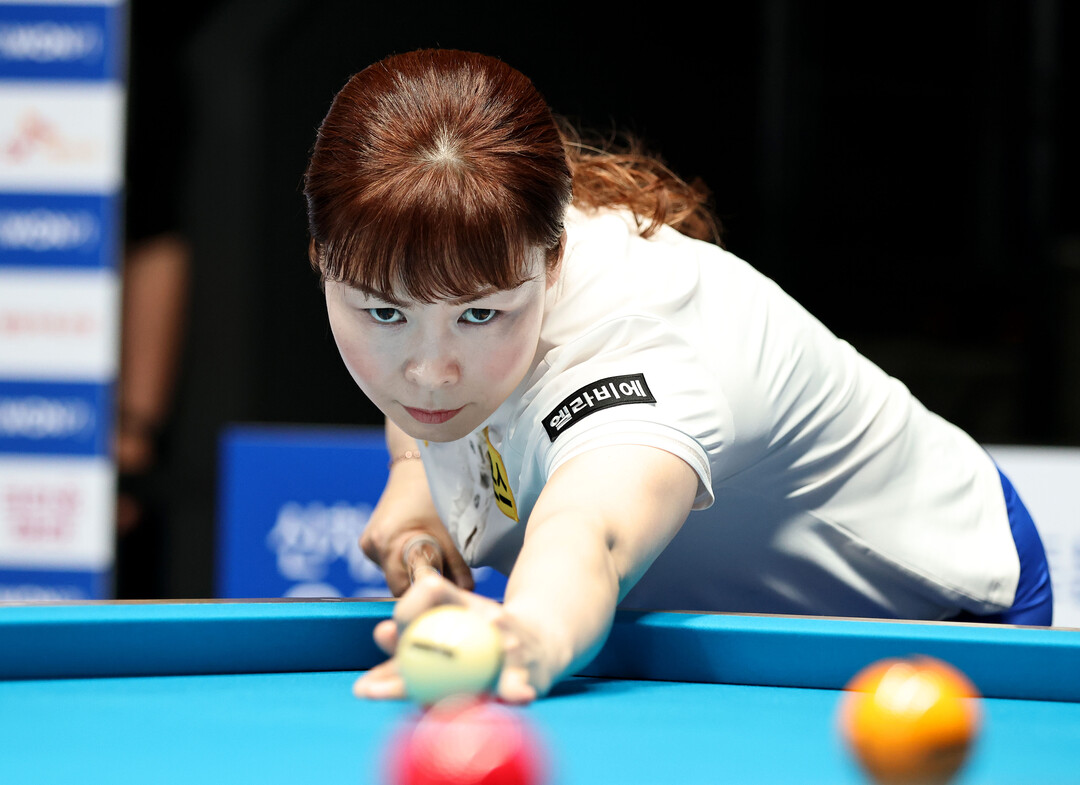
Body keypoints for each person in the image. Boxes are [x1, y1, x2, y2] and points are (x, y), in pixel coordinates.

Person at [302, 49, 1053, 704]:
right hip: (716, 642)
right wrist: (413, 474)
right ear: (321, 263)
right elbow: (426, 369)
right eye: (384, 313)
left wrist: (530, 631)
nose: (430, 373)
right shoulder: (493, 244)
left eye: (479, 315)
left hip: (938, 619)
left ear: (553, 261)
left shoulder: (637, 343)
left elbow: (589, 533)